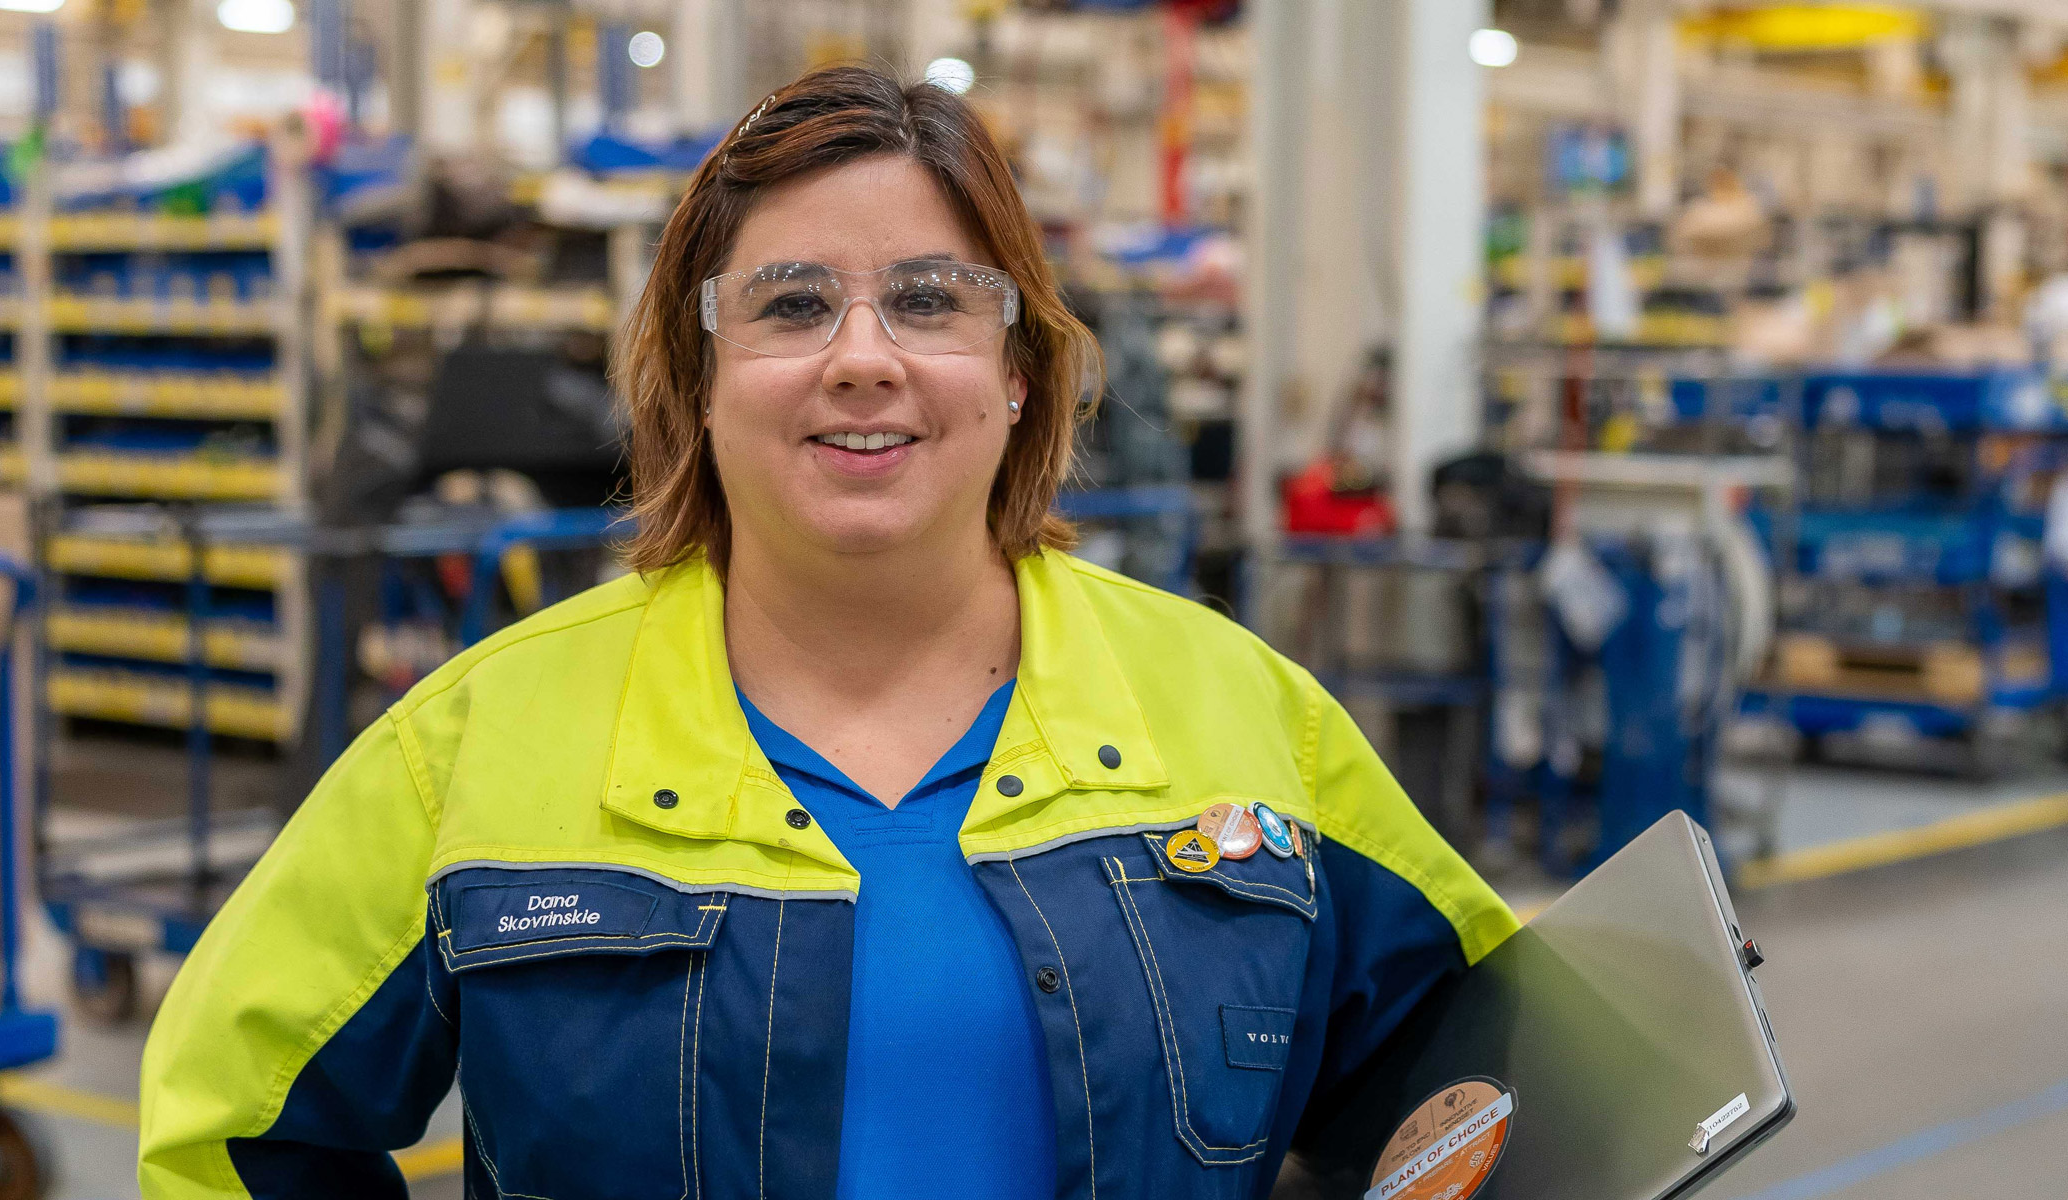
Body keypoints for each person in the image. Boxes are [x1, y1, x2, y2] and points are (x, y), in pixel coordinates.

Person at [137, 65, 1517, 1200]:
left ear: (1021, 375)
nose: (864, 353)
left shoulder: (1249, 718)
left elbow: (1489, 1082)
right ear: (700, 377)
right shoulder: (473, 751)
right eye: (792, 304)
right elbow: (230, 1134)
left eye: (931, 299)